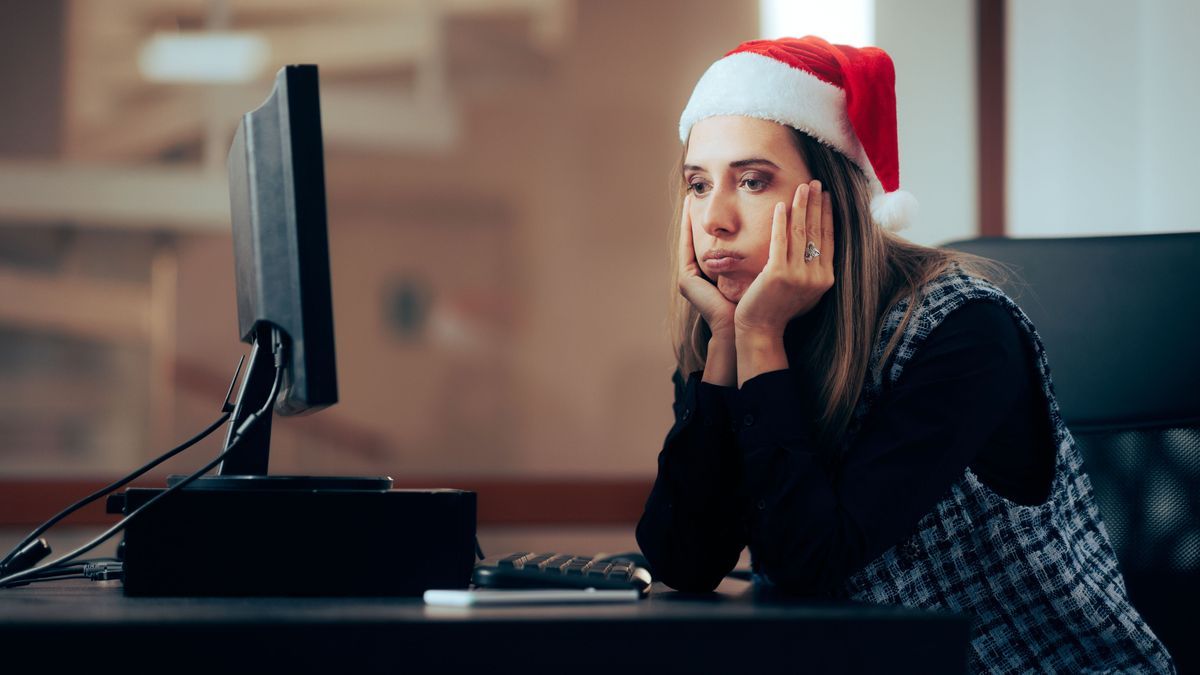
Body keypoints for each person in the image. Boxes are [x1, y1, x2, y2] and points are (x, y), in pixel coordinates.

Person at [635, 35, 1174, 673]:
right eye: (698, 185)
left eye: (752, 181)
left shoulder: (964, 330)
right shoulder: (732, 326)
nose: (714, 218)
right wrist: (727, 348)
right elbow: (685, 563)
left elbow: (809, 563)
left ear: (830, 194)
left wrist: (758, 341)